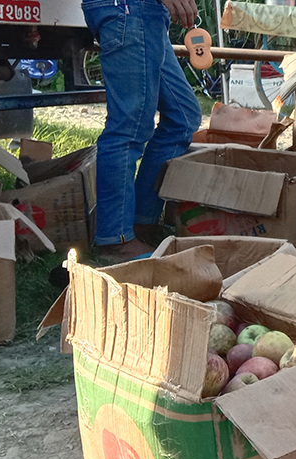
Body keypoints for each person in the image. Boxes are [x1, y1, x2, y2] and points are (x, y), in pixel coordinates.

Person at [80, 0, 202, 262]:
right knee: (128, 128)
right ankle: (116, 239)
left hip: (144, 12)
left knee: (183, 117)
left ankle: (140, 221)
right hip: (127, 9)